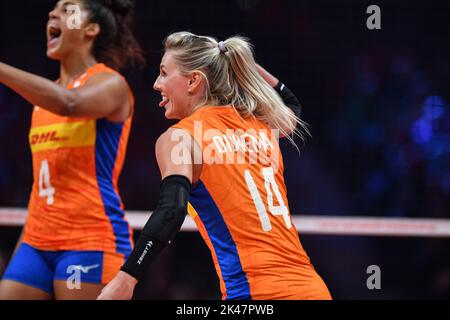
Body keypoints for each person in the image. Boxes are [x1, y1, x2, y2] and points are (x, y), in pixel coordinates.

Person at [98, 31, 331, 300]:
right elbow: (292, 105)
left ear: (193, 80)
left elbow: (172, 209)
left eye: (164, 73)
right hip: (312, 288)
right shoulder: (261, 125)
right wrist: (245, 66)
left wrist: (127, 278)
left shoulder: (180, 137)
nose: (155, 83)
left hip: (255, 294)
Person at [0, 0, 144, 300]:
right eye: (53, 9)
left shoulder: (110, 84)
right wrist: (24, 243)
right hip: (36, 240)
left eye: (67, 9)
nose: (53, 13)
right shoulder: (43, 98)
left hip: (89, 238)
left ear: (91, 28)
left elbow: (70, 103)